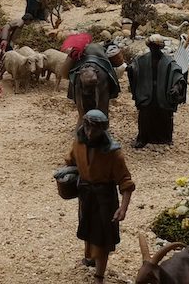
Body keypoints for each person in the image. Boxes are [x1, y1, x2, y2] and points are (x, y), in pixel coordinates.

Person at [65, 110, 135, 283]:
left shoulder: (113, 153)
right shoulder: (78, 144)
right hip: (86, 195)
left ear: (103, 130)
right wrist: (66, 178)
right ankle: (90, 258)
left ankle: (99, 275)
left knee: (102, 237)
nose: (90, 133)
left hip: (104, 199)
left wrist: (123, 208)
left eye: (95, 130)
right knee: (88, 228)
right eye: (87, 127)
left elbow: (125, 182)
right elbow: (70, 162)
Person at [127, 34, 187, 148]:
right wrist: (131, 69)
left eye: (155, 47)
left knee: (164, 115)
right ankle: (143, 138)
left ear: (160, 47)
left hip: (162, 93)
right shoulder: (142, 59)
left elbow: (177, 75)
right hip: (147, 93)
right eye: (151, 47)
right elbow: (135, 67)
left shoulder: (168, 61)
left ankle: (164, 138)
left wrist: (176, 87)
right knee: (145, 115)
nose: (153, 49)